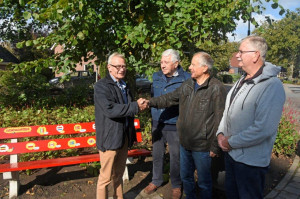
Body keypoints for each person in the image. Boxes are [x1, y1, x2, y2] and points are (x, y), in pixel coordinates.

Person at [146, 52, 226, 199]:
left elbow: (220, 118)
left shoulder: (216, 88)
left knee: (204, 183)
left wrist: (215, 146)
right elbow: (170, 98)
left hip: (202, 145)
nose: (189, 67)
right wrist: (149, 102)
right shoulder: (188, 84)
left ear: (204, 68)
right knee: (187, 178)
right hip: (185, 142)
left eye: (193, 65)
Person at [217, 35, 286, 199]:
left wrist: (229, 142)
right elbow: (227, 111)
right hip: (232, 156)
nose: (237, 55)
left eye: (241, 51)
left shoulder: (272, 86)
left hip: (250, 164)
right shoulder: (241, 80)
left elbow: (263, 129)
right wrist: (220, 134)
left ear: (256, 55)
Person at [94, 52, 147, 199]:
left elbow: (128, 108)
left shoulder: (124, 85)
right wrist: (135, 106)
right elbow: (110, 109)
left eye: (124, 66)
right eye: (118, 66)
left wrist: (139, 105)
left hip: (123, 137)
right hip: (109, 139)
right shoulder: (101, 87)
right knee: (105, 178)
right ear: (109, 68)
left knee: (118, 174)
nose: (121, 69)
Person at [143, 49, 190, 199]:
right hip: (158, 123)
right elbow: (153, 96)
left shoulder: (186, 79)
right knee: (157, 154)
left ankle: (176, 185)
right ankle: (156, 180)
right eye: (161, 62)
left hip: (174, 124)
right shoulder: (156, 76)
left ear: (176, 64)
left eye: (166, 62)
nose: (162, 65)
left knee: (176, 156)